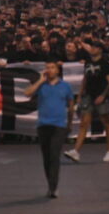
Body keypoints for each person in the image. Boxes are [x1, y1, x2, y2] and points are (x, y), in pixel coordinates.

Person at [24, 61, 74, 198]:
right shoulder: (41, 85)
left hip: (58, 125)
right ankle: (50, 184)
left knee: (54, 155)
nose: (49, 70)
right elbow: (27, 93)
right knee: (46, 157)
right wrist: (40, 80)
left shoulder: (65, 86)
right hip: (43, 125)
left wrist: (69, 123)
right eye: (47, 68)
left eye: (52, 68)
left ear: (57, 70)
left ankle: (54, 186)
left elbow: (71, 106)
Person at [64, 46, 109, 163]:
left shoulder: (105, 64)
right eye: (91, 47)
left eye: (94, 47)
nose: (92, 49)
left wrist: (103, 95)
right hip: (88, 96)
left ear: (100, 50)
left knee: (106, 123)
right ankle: (76, 151)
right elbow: (85, 79)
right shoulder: (87, 63)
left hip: (101, 96)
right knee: (84, 123)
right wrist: (80, 95)